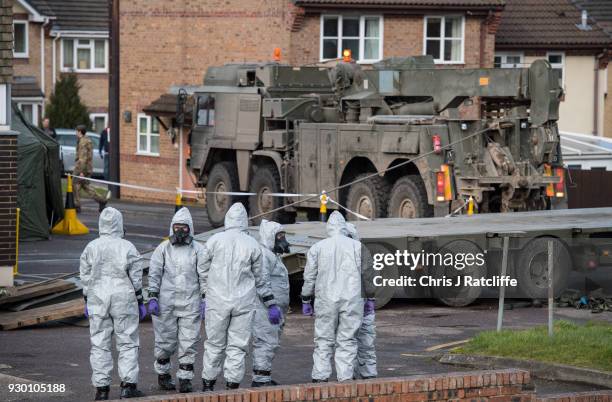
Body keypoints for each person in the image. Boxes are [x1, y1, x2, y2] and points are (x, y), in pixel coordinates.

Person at [198, 203, 281, 391]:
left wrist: (205, 293)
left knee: (214, 343)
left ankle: (208, 385)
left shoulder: (214, 240)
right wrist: (270, 303)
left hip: (217, 301)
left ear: (227, 219)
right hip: (243, 302)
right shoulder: (252, 244)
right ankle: (232, 386)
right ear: (244, 221)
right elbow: (261, 278)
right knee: (237, 345)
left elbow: (202, 268)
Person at [80, 207, 146, 400]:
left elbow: (85, 275)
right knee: (127, 342)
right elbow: (136, 276)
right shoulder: (127, 247)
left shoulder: (91, 247)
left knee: (100, 343)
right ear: (120, 223)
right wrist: (140, 299)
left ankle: (102, 389)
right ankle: (128, 386)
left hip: (97, 298)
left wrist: (86, 298)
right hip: (123, 297)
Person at [147, 207, 206, 393]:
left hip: (190, 303)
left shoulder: (199, 250)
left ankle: (185, 379)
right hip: (166, 303)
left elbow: (204, 276)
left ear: (190, 229)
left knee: (189, 342)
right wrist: (153, 297)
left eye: (184, 228)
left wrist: (205, 299)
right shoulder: (162, 249)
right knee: (165, 341)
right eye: (177, 227)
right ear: (171, 228)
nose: (180, 232)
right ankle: (163, 375)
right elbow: (154, 274)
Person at [301, 211, 364, 382]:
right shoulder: (357, 247)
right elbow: (368, 275)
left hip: (326, 299)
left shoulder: (318, 248)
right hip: (352, 299)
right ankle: (345, 378)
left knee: (323, 339)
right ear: (344, 227)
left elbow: (310, 277)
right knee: (348, 340)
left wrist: (306, 298)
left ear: (328, 227)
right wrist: (370, 297)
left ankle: (320, 378)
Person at [251, 219, 291, 387]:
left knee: (270, 342)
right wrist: (271, 304)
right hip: (265, 309)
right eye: (279, 236)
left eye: (283, 235)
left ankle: (263, 376)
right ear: (270, 237)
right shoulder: (264, 256)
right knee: (265, 342)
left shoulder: (272, 255)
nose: (282, 239)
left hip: (274, 309)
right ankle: (260, 380)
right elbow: (262, 282)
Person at [345, 223, 378, 379]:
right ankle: (364, 376)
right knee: (361, 342)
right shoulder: (360, 251)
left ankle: (350, 376)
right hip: (357, 304)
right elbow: (369, 277)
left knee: (349, 342)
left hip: (350, 305)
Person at [74, 124, 109, 212]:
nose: (75, 133)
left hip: (82, 168)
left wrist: (81, 171)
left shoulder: (83, 142)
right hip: (87, 167)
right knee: (85, 186)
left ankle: (77, 205)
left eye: (76, 132)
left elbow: (83, 157)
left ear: (79, 132)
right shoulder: (87, 140)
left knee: (75, 185)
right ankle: (101, 200)